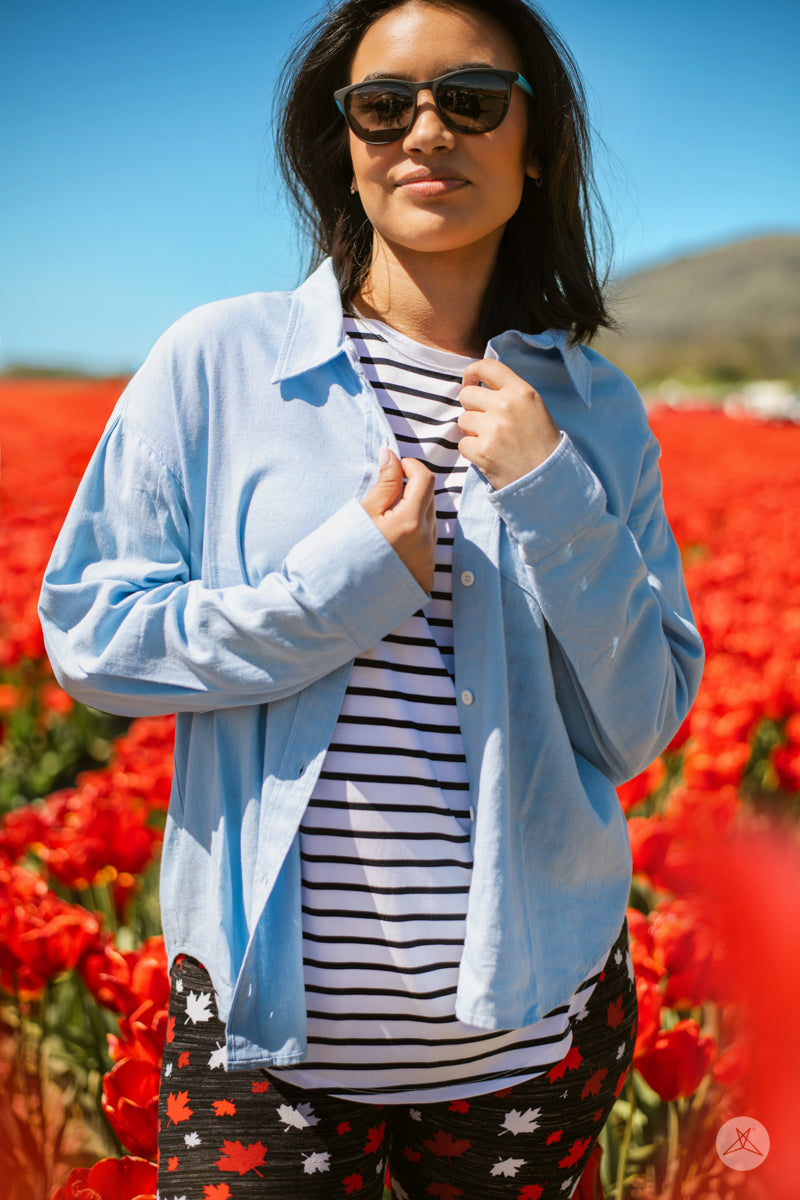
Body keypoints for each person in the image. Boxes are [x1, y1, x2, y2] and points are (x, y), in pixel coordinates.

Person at [39, 0, 704, 1196]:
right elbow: (91, 635)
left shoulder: (591, 412)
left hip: (532, 1037)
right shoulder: (221, 363)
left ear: (534, 140)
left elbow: (640, 720)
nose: (426, 133)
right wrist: (333, 591)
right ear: (341, 142)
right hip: (264, 1043)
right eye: (384, 105)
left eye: (472, 101)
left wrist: (552, 492)